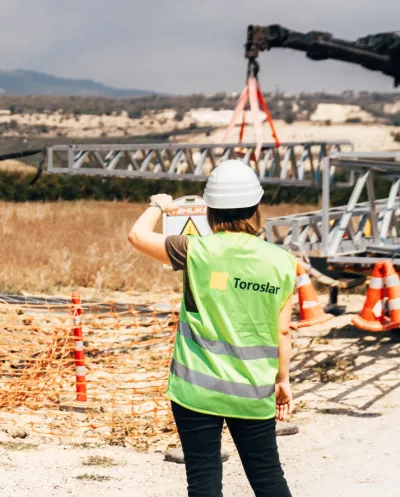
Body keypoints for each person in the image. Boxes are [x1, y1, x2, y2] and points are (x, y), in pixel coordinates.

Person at [128, 159, 295, 497]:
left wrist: (158, 205)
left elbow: (137, 236)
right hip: (252, 389)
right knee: (267, 478)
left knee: (203, 480)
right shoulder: (281, 262)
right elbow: (283, 333)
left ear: (210, 210)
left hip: (195, 389)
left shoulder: (194, 250)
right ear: (256, 208)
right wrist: (283, 380)